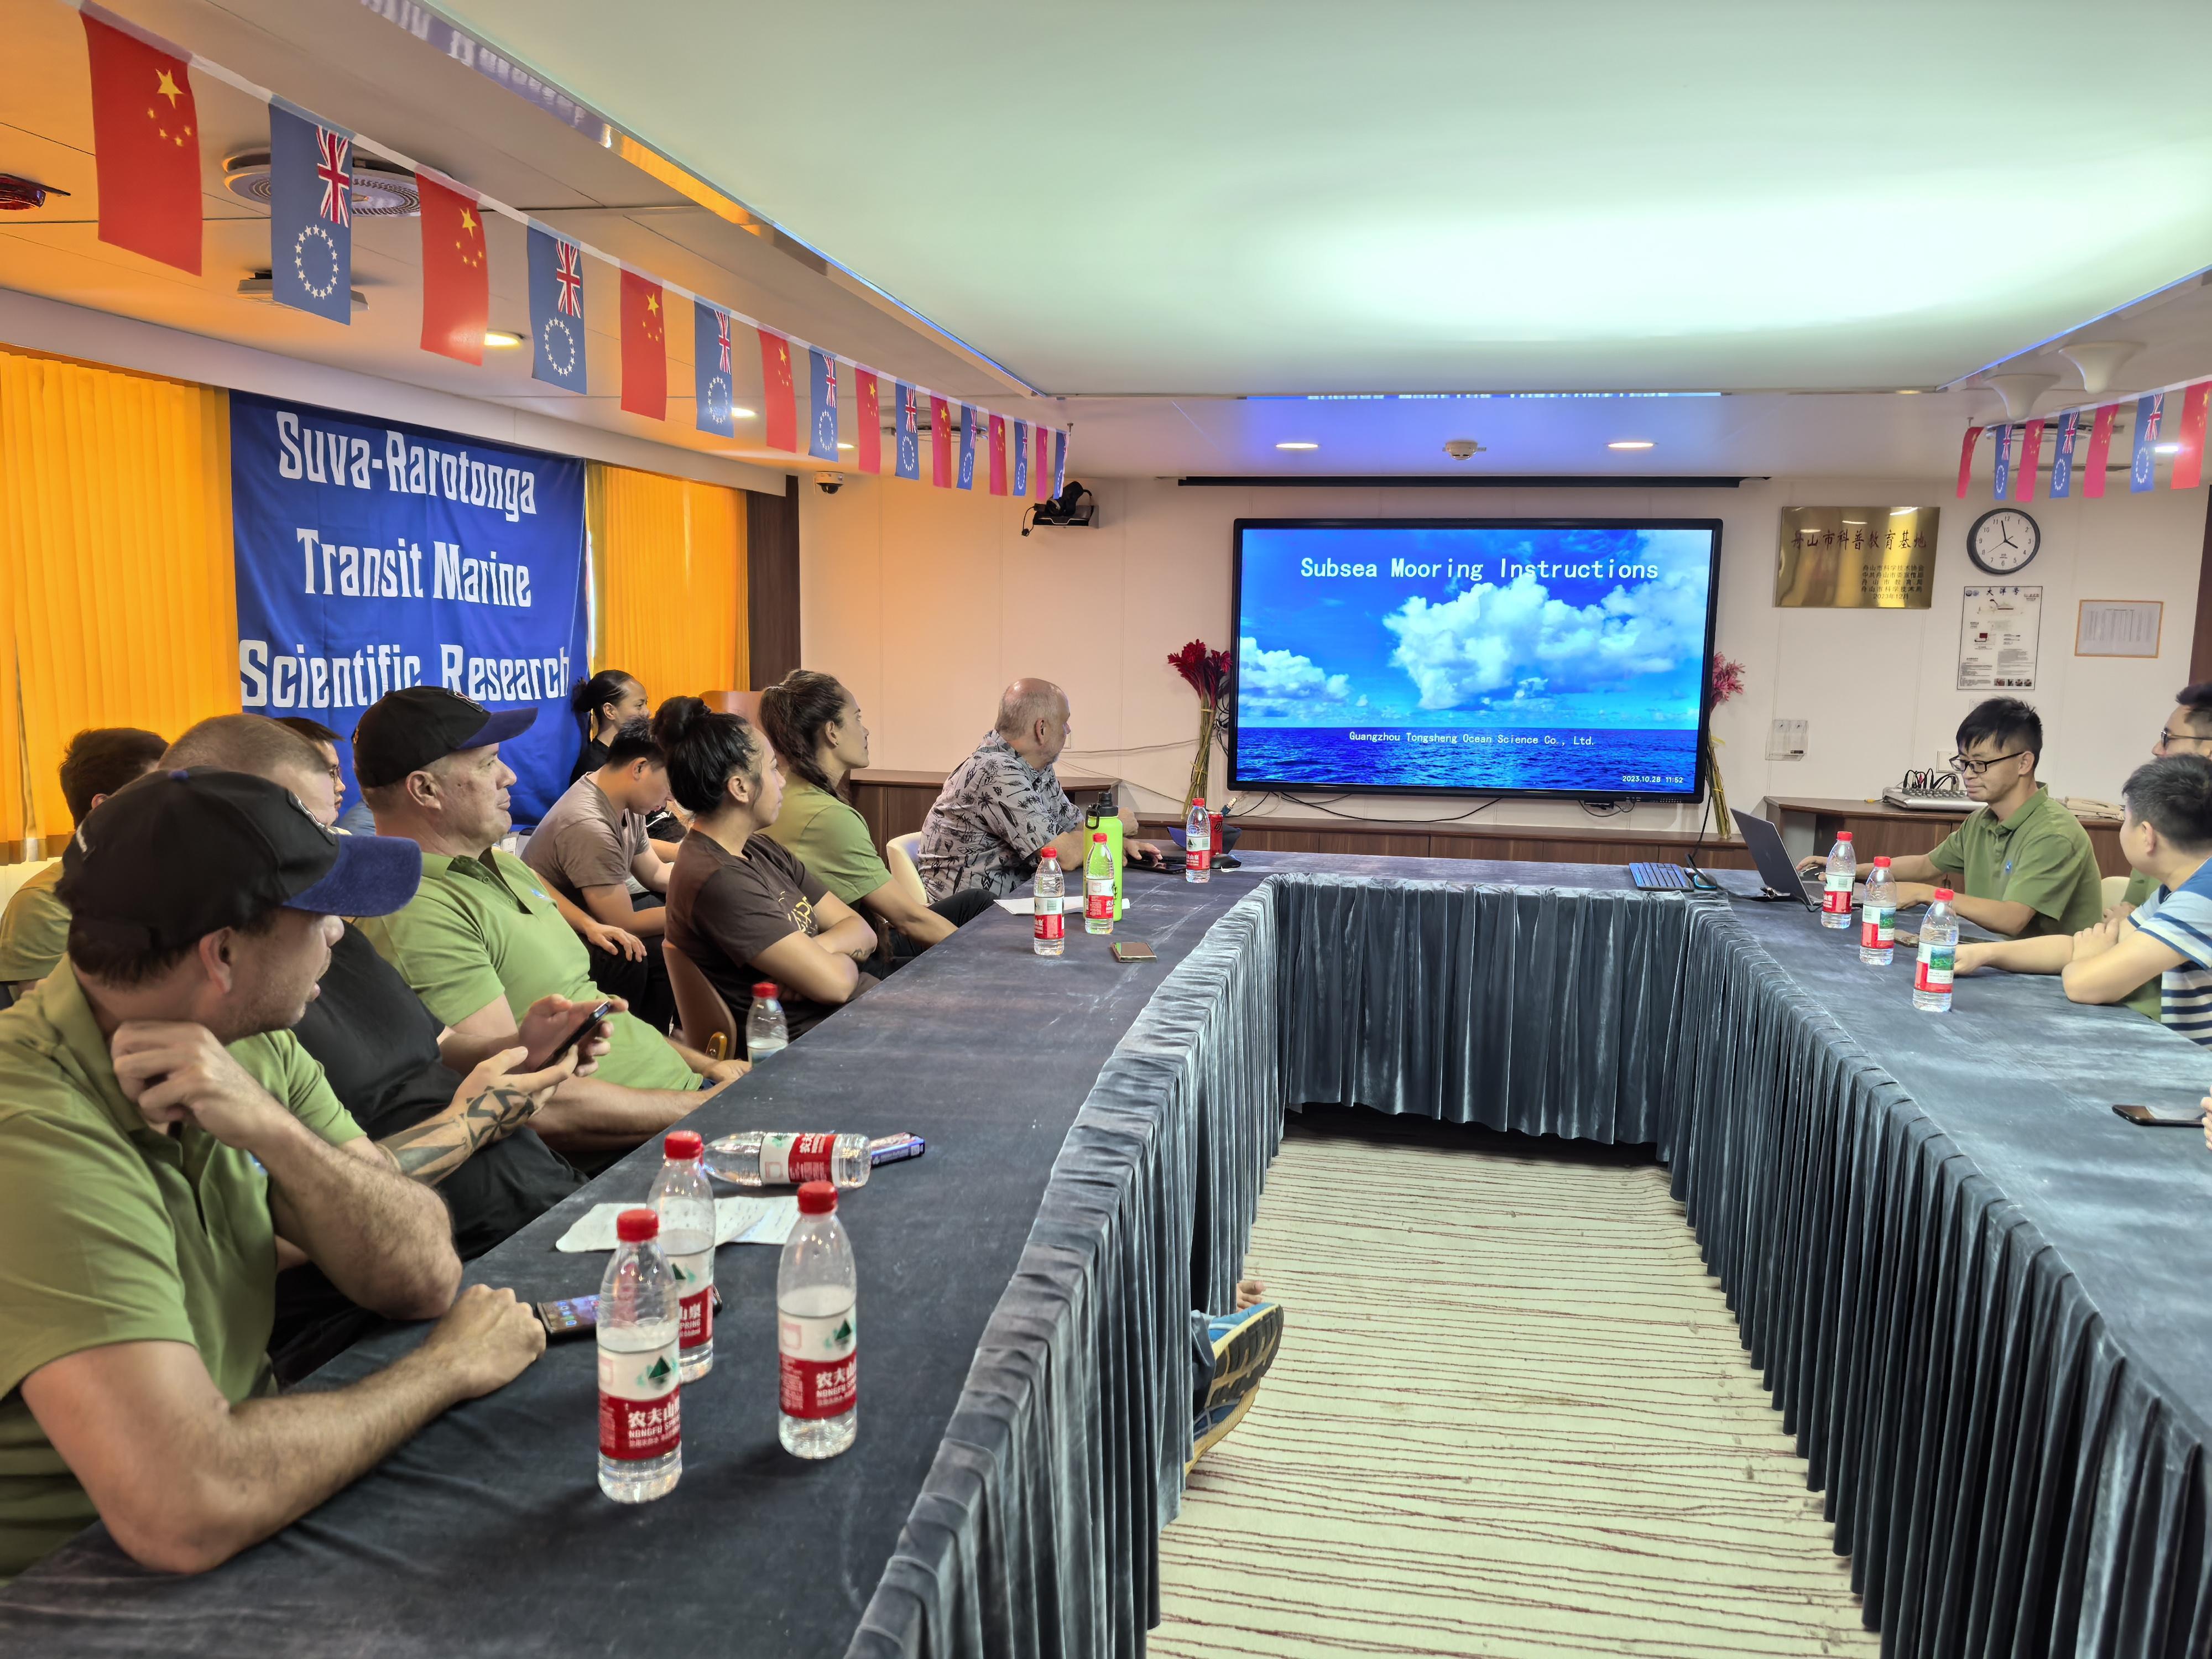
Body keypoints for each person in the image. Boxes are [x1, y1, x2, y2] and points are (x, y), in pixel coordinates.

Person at [0, 768, 544, 1582]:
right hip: (77, 1582)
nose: (340, 936)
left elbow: (422, 1276)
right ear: (222, 953)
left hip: (247, 1478)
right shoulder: (33, 1132)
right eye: (320, 914)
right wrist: (446, 1369)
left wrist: (269, 1129)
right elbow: (188, 1504)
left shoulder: (248, 1039)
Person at [161, 716, 598, 1375]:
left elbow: (428, 1047)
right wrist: (472, 1122)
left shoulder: (318, 950)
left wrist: (522, 1045)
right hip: (406, 1304)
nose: (338, 925)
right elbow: (278, 1234)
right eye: (305, 833)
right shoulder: (226, 1025)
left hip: (530, 1216)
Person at [351, 687, 742, 1170]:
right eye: (488, 764)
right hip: (643, 1148)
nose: (509, 776)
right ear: (425, 790)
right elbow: (523, 1099)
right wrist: (703, 1107)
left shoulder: (503, 864)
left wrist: (708, 1068)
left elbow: (593, 1004)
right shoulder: (415, 912)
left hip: (688, 1100)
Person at [658, 697, 878, 1040]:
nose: (783, 781)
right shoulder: (718, 880)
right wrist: (836, 962)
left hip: (854, 1017)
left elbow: (863, 931)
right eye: (773, 768)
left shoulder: (760, 848)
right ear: (740, 787)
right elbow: (835, 985)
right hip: (816, 1041)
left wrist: (816, 954)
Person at [1953, 755, 2212, 1040]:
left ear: (2147, 836)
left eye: (2126, 820)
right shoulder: (2179, 889)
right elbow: (2079, 947)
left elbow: (2085, 985)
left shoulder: (2202, 898)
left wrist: (2090, 958)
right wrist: (1985, 954)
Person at [1798, 697, 2102, 939]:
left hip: (2049, 980)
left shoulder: (2053, 833)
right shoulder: (1983, 821)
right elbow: (1926, 865)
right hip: (1989, 958)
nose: (1968, 774)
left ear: (2024, 763)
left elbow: (2012, 918)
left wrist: (1926, 894)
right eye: (1964, 762)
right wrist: (1849, 870)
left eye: (1980, 764)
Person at [756, 669, 996, 958]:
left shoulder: (790, 793)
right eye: (857, 718)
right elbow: (909, 920)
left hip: (847, 936)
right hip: (848, 958)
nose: (866, 731)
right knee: (973, 926)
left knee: (975, 902)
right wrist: (985, 960)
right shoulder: (828, 817)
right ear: (832, 732)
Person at [915, 678, 1167, 902]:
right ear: (1042, 729)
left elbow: (1074, 827)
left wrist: (1118, 842)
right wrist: (1113, 826)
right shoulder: (995, 770)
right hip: (971, 917)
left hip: (1018, 900)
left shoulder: (1036, 766)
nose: (1068, 730)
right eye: (1064, 722)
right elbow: (1063, 855)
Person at [525, 718, 676, 1029]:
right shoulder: (589, 823)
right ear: (639, 768)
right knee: (654, 947)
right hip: (555, 928)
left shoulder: (625, 801)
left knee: (669, 912)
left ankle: (657, 1035)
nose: (671, 798)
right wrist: (699, 911)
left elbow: (655, 873)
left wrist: (708, 887)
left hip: (591, 912)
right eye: (670, 784)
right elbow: (623, 922)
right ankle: (638, 1039)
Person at [0, 726, 166, 997]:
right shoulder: (44, 904)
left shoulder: (169, 882)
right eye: (160, 794)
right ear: (105, 807)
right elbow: (60, 1019)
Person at [568, 669, 649, 784]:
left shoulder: (634, 752)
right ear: (610, 711)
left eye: (646, 703)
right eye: (639, 705)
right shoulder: (593, 769)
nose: (648, 712)